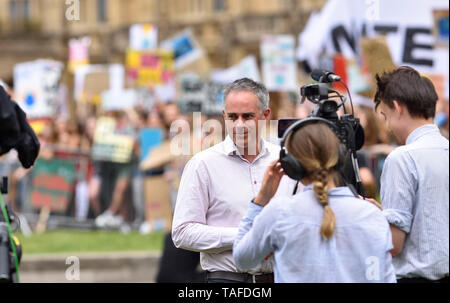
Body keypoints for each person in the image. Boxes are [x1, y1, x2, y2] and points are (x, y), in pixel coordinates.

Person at [233, 121, 396, 283]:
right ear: (339, 157)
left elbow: (242, 259)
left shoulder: (280, 213)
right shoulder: (372, 215)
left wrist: (261, 199)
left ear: (292, 165)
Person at [172, 78, 297, 283]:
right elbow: (182, 232)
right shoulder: (202, 165)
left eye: (247, 116)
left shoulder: (286, 161)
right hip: (227, 280)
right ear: (224, 117)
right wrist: (244, 236)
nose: (239, 124)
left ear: (266, 115)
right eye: (233, 117)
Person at [369, 66, 449, 283]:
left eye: (385, 116)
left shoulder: (402, 158)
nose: (387, 126)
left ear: (397, 107)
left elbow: (394, 244)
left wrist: (368, 219)